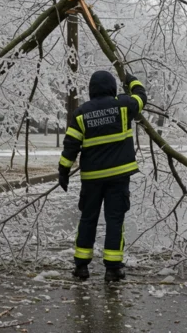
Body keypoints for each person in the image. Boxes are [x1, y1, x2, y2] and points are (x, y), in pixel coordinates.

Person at [58, 70, 147, 282]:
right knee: (114, 220)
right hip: (118, 177)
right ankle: (113, 268)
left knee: (88, 219)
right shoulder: (124, 106)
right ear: (112, 88)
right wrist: (132, 80)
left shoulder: (81, 113)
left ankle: (81, 266)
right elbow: (142, 97)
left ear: (91, 90)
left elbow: (71, 145)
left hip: (92, 179)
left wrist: (63, 170)